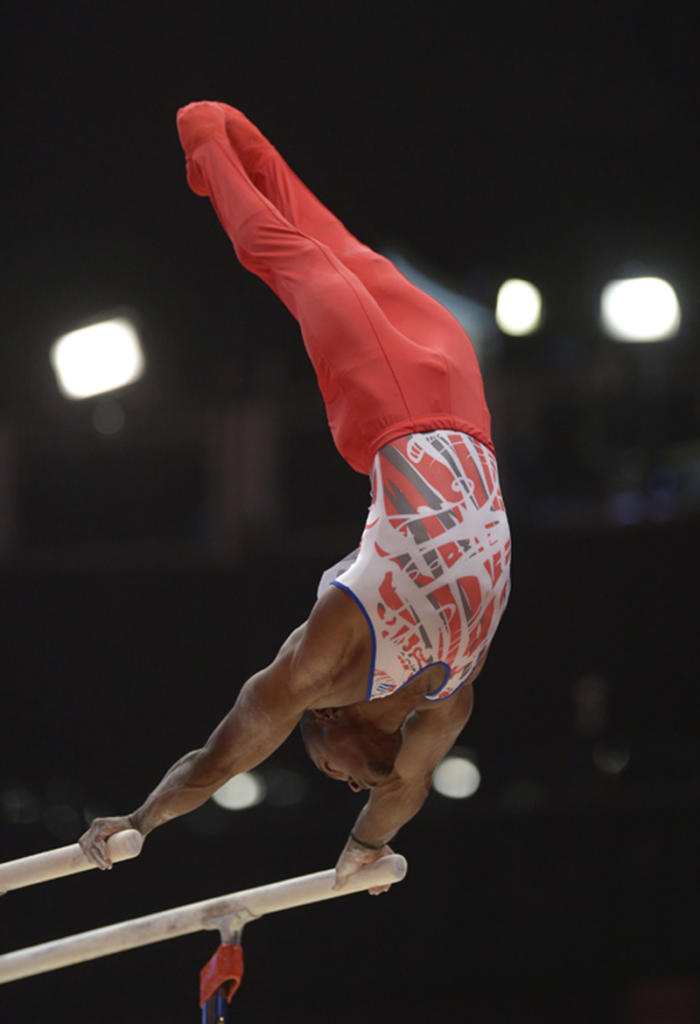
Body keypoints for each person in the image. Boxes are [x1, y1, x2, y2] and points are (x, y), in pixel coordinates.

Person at [79, 101, 511, 893]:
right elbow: (404, 787)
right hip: (438, 404)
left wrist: (140, 822)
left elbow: (220, 758)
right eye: (342, 782)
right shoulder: (447, 699)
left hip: (427, 402)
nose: (343, 780)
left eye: (328, 771)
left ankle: (216, 139)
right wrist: (361, 854)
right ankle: (219, 137)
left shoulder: (324, 660)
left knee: (307, 257)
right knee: (319, 254)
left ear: (325, 720)